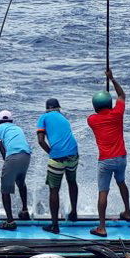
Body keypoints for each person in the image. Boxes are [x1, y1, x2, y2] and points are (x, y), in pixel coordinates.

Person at [86, 68, 130, 237]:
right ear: (109, 104)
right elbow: (122, 96)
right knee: (121, 183)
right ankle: (128, 211)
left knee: (103, 191)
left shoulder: (92, 120)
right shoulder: (117, 114)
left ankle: (102, 227)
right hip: (121, 157)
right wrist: (112, 79)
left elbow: (97, 114)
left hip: (105, 161)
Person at [36, 98, 79, 234]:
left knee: (54, 190)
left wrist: (51, 152)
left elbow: (41, 141)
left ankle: (55, 225)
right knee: (72, 182)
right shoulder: (63, 117)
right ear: (58, 108)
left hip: (57, 157)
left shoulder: (43, 117)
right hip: (73, 153)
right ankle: (73, 213)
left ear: (47, 108)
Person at [0, 110, 32, 230]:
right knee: (21, 182)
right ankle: (25, 211)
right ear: (11, 121)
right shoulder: (18, 128)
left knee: (5, 189)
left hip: (13, 156)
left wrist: (7, 162)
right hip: (26, 155)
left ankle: (9, 222)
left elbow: (1, 147)